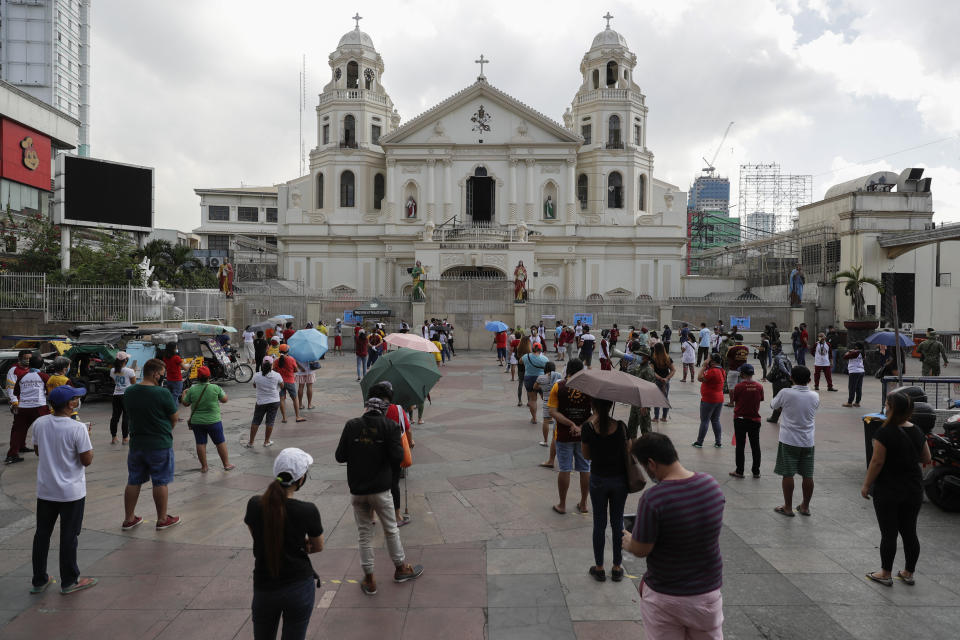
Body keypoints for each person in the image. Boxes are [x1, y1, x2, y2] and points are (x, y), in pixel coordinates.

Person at [622, 433, 725, 640]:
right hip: (707, 595)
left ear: (651, 463)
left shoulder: (654, 498)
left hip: (666, 595)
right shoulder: (711, 485)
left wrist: (628, 541)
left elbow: (642, 549)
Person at [335, 392, 424, 595]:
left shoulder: (351, 425)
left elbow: (340, 456)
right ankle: (400, 568)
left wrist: (359, 451)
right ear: (383, 411)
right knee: (391, 529)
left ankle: (369, 579)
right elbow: (397, 458)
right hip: (381, 488)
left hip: (358, 489)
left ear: (366, 408)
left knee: (364, 534)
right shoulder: (390, 426)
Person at [244, 447, 323, 639]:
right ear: (300, 479)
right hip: (298, 586)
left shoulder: (255, 504)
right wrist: (298, 544)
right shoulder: (307, 510)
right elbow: (317, 546)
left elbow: (257, 535)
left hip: (265, 586)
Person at [29, 385, 97, 595]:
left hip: (46, 490)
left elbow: (39, 451)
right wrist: (86, 436)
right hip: (71, 492)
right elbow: (86, 460)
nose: (78, 400)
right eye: (76, 398)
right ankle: (69, 580)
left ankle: (39, 579)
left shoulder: (40, 423)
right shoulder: (77, 428)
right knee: (69, 535)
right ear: (70, 404)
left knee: (42, 533)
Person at [861, 391, 932, 587]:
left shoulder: (884, 432)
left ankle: (885, 573)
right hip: (913, 488)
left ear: (891, 409)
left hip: (888, 489)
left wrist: (866, 485)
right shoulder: (916, 430)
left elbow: (876, 462)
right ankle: (908, 572)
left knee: (889, 533)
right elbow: (926, 458)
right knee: (909, 532)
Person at [121, 358, 181, 531]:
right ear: (155, 374)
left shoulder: (129, 392)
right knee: (160, 481)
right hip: (159, 443)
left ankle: (129, 518)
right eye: (162, 374)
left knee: (133, 480)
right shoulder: (162, 393)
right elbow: (174, 417)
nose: (163, 377)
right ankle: (162, 519)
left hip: (137, 443)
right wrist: (165, 429)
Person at [581, 396, 629, 582]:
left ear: (592, 405)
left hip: (599, 480)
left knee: (599, 524)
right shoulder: (622, 426)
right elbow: (629, 450)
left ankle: (599, 567)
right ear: (611, 405)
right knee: (618, 522)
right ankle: (617, 567)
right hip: (619, 481)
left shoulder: (588, 428)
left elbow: (586, 455)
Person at [771, 366, 819, 517]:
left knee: (788, 473)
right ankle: (805, 506)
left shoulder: (786, 393)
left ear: (791, 378)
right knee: (808, 474)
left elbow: (774, 405)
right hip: (808, 441)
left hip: (789, 440)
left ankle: (788, 507)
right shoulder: (814, 396)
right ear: (809, 380)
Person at [548, 358, 591, 515]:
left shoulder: (558, 386)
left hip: (564, 434)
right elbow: (597, 414)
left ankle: (562, 504)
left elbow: (553, 411)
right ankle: (584, 503)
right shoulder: (589, 387)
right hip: (584, 435)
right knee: (585, 468)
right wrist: (581, 427)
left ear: (568, 371)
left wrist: (570, 424)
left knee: (565, 469)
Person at [181, 366, 234, 473]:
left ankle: (204, 467)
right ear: (209, 376)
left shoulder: (192, 389)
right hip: (213, 421)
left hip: (197, 422)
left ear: (197, 377)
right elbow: (225, 400)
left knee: (200, 443)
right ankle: (226, 464)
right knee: (220, 442)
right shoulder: (215, 388)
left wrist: (184, 393)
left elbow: (185, 403)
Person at [374, 383, 413, 527]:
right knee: (394, 483)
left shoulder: (371, 409)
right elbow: (407, 428)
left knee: (377, 482)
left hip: (377, 451)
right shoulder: (397, 408)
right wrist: (410, 441)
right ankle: (397, 516)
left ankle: (373, 515)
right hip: (395, 451)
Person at [7, 353, 49, 464]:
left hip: (24, 407)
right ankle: (49, 453)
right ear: (41, 365)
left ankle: (12, 455)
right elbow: (49, 391)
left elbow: (16, 392)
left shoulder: (22, 376)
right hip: (40, 407)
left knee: (17, 431)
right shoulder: (44, 376)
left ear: (30, 364)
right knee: (46, 430)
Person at [730, 364, 764, 479]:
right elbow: (761, 399)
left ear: (742, 374)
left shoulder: (739, 386)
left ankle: (740, 471)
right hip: (755, 419)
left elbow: (735, 400)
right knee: (755, 446)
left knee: (740, 445)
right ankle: (756, 471)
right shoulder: (759, 386)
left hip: (740, 419)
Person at [247, 359, 283, 447]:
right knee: (270, 421)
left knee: (256, 421)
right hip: (274, 400)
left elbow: (254, 385)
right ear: (272, 366)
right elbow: (282, 386)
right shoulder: (277, 375)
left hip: (261, 401)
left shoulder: (257, 375)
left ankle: (251, 442)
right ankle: (266, 441)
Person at [693, 353, 725, 448]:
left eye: (708, 358)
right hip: (719, 399)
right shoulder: (721, 370)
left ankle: (699, 442)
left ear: (713, 361)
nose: (706, 360)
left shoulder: (713, 371)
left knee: (705, 421)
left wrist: (703, 367)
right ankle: (718, 442)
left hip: (709, 399)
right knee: (715, 420)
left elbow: (699, 378)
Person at [625, 344, 656, 438]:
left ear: (646, 357)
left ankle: (647, 450)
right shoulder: (638, 367)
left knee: (645, 429)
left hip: (643, 403)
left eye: (640, 355)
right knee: (631, 428)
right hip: (635, 402)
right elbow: (628, 376)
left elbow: (650, 390)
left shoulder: (648, 370)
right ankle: (633, 449)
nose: (638, 356)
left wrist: (645, 405)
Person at [535, 361, 563, 458]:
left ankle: (546, 441)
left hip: (547, 401)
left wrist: (543, 387)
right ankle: (557, 440)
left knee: (546, 421)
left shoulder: (541, 378)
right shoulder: (558, 376)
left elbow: (535, 387)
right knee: (558, 422)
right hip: (557, 401)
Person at [109, 351, 137, 445]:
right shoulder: (130, 371)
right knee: (126, 417)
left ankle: (114, 437)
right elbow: (133, 383)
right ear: (126, 360)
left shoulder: (112, 370)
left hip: (116, 395)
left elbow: (114, 382)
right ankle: (125, 438)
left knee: (115, 417)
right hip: (127, 395)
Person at [275, 345, 305, 424]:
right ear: (287, 351)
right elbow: (295, 370)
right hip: (290, 381)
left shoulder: (276, 361)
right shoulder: (291, 359)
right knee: (295, 399)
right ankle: (297, 416)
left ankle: (284, 418)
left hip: (280, 382)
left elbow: (274, 370)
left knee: (281, 399)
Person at [522, 344, 550, 424]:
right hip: (542, 379)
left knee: (532, 399)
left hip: (529, 378)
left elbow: (520, 361)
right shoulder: (545, 358)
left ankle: (534, 418)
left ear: (532, 349)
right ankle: (549, 417)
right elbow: (548, 369)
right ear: (540, 350)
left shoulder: (526, 356)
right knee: (545, 398)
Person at [766, 344, 794, 423]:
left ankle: (774, 418)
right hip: (787, 382)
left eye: (774, 348)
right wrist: (790, 377)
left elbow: (782, 368)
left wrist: (788, 375)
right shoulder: (786, 357)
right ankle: (786, 418)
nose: (773, 350)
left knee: (777, 399)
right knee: (786, 400)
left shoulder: (778, 358)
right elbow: (790, 368)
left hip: (779, 382)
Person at [650, 342, 675, 423]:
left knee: (657, 398)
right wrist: (666, 379)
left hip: (657, 380)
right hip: (665, 381)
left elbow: (652, 371)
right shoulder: (668, 358)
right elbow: (673, 370)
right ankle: (664, 417)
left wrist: (660, 378)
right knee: (665, 398)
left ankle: (656, 417)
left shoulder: (653, 359)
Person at [724, 335, 749, 407]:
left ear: (735, 340)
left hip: (733, 370)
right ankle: (741, 402)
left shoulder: (732, 349)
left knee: (731, 387)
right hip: (743, 371)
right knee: (742, 387)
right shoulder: (746, 348)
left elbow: (727, 359)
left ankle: (731, 402)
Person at [842, 343, 866, 407]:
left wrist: (849, 352)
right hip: (861, 371)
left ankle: (849, 402)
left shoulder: (855, 353)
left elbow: (845, 357)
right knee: (858, 387)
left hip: (854, 371)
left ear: (856, 347)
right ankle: (857, 402)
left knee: (852, 387)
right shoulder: (862, 353)